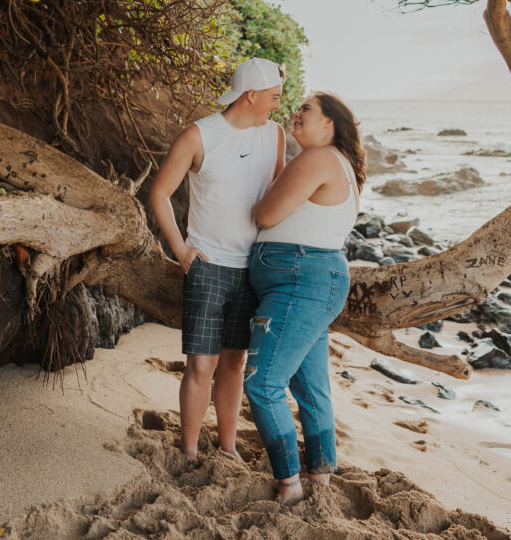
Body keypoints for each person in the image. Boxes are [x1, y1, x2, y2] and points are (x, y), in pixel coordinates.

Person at [148, 57, 286, 462]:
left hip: (254, 268)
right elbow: (159, 194)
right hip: (207, 265)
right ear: (252, 95)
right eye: (274, 97)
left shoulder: (274, 134)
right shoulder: (198, 136)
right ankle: (189, 451)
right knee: (201, 367)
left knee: (234, 364)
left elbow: (277, 197)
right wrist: (181, 250)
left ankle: (227, 447)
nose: (279, 104)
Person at [243, 91, 365, 505]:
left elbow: (264, 215)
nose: (296, 114)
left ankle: (290, 486)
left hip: (300, 282)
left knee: (262, 382)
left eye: (306, 110)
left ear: (329, 124)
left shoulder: (317, 159)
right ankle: (319, 478)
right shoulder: (341, 165)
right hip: (314, 280)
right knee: (311, 387)